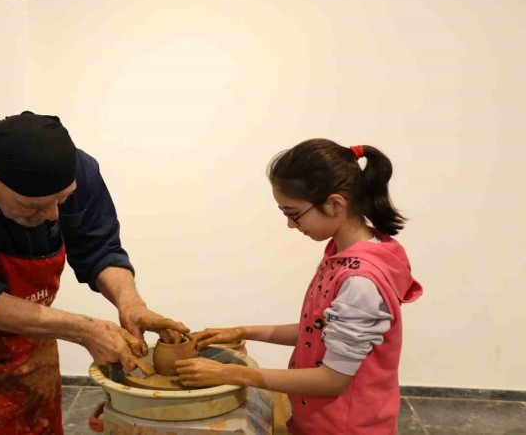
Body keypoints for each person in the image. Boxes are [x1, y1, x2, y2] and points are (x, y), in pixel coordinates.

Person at [0, 111, 188, 434]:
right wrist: (84, 331)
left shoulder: (78, 170)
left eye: (63, 200)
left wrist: (131, 304)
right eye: (33, 206)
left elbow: (99, 250)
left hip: (34, 335)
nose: (52, 216)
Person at [175, 139, 422, 435]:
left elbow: (333, 379)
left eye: (293, 214)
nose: (291, 225)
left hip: (347, 427)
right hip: (322, 420)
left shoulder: (361, 280)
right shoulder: (342, 254)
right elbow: (317, 331)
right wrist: (243, 331)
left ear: (335, 204)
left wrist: (231, 373)